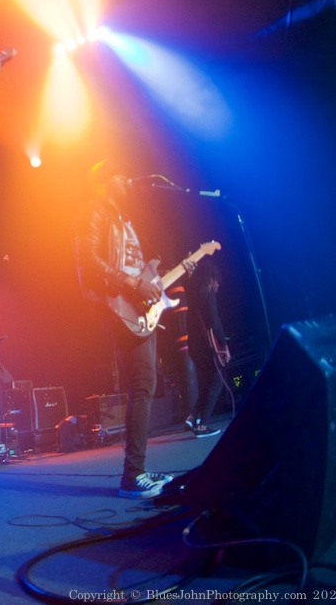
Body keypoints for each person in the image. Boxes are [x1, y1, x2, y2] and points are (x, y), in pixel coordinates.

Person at [74, 159, 193, 499]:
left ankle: (137, 472)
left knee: (145, 385)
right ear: (103, 181)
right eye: (120, 175)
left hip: (136, 306)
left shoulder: (123, 219)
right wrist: (131, 285)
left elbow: (137, 266)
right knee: (141, 385)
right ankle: (132, 477)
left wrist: (151, 285)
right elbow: (90, 261)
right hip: (118, 305)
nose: (127, 180)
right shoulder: (94, 210)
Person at [185, 260, 229, 438]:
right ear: (211, 279)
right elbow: (214, 321)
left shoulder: (194, 295)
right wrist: (224, 346)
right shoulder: (208, 295)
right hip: (206, 346)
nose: (218, 285)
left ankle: (192, 417)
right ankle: (202, 426)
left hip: (194, 346)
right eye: (216, 281)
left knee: (207, 382)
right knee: (217, 382)